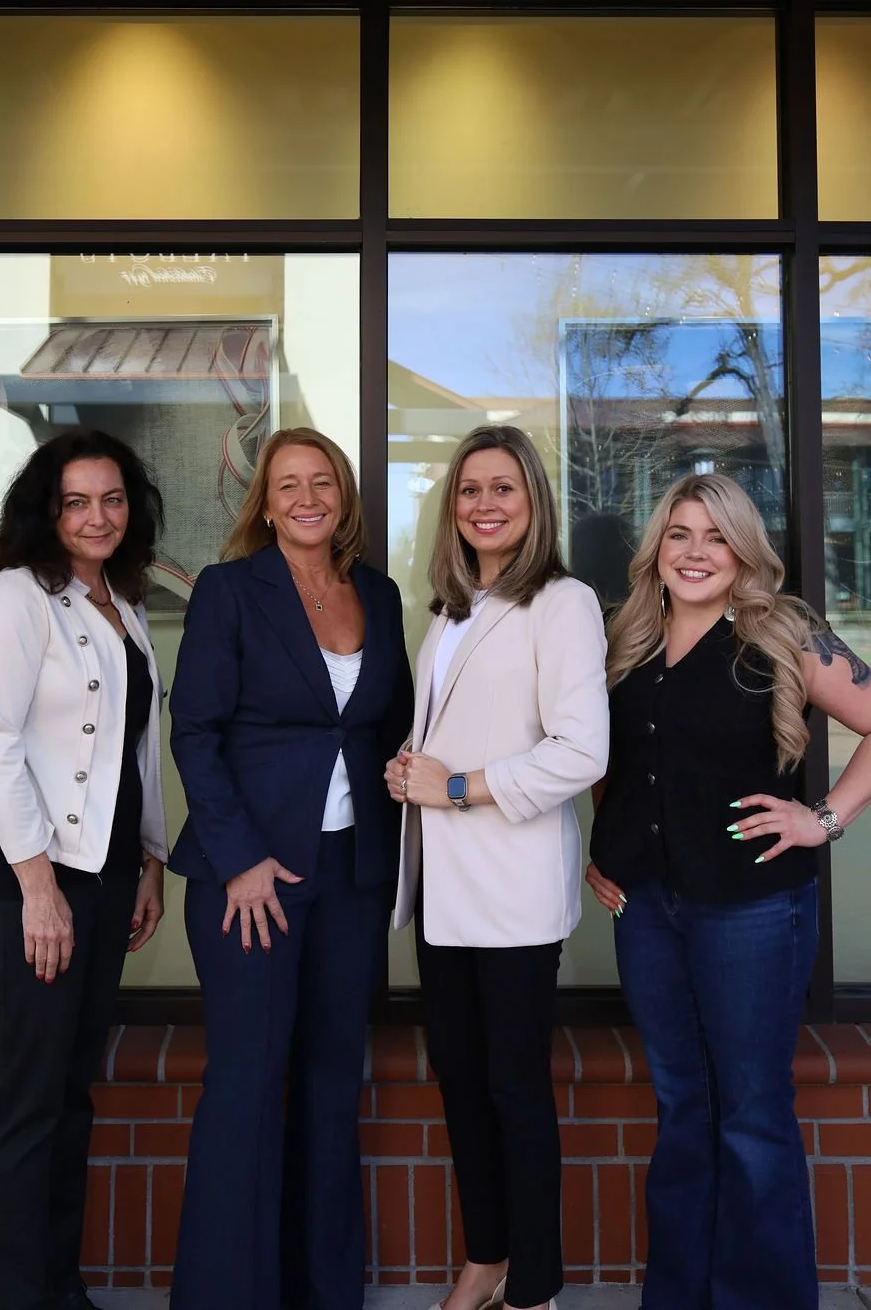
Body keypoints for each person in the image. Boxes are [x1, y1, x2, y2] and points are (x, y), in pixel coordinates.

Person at [587, 472, 871, 1310]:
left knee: (750, 1113)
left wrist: (824, 817)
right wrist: (608, 845)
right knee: (683, 1105)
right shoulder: (625, 637)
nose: (696, 552)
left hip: (753, 909)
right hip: (648, 909)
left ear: (744, 550)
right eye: (680, 533)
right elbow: (608, 760)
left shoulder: (784, 633)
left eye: (716, 536)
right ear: (657, 547)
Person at [167, 427, 413, 1310]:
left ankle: (323, 1291)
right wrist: (238, 860)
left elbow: (390, 725)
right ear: (265, 505)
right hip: (252, 879)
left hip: (349, 872)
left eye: (322, 482)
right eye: (288, 485)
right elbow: (194, 732)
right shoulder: (230, 590)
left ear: (343, 496)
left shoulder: (378, 594)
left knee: (329, 1082)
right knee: (247, 1085)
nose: (307, 498)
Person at [389, 424, 610, 1310]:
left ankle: (535, 1287)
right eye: (470, 489)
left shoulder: (563, 602)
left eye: (504, 487)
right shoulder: (453, 607)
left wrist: (455, 786)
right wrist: (413, 766)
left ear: (533, 502)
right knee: (460, 1077)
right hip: (444, 889)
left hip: (513, 890)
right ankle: (486, 1259)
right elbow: (459, 728)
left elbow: (581, 752)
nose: (485, 504)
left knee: (515, 1089)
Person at [0, 429, 168, 1310]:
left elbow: (134, 750)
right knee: (28, 1101)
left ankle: (60, 1288)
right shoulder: (17, 595)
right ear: (47, 511)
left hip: (109, 872)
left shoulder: (122, 600)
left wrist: (152, 858)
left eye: (112, 499)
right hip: (33, 878)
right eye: (76, 501)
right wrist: (38, 887)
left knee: (71, 1093)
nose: (97, 516)